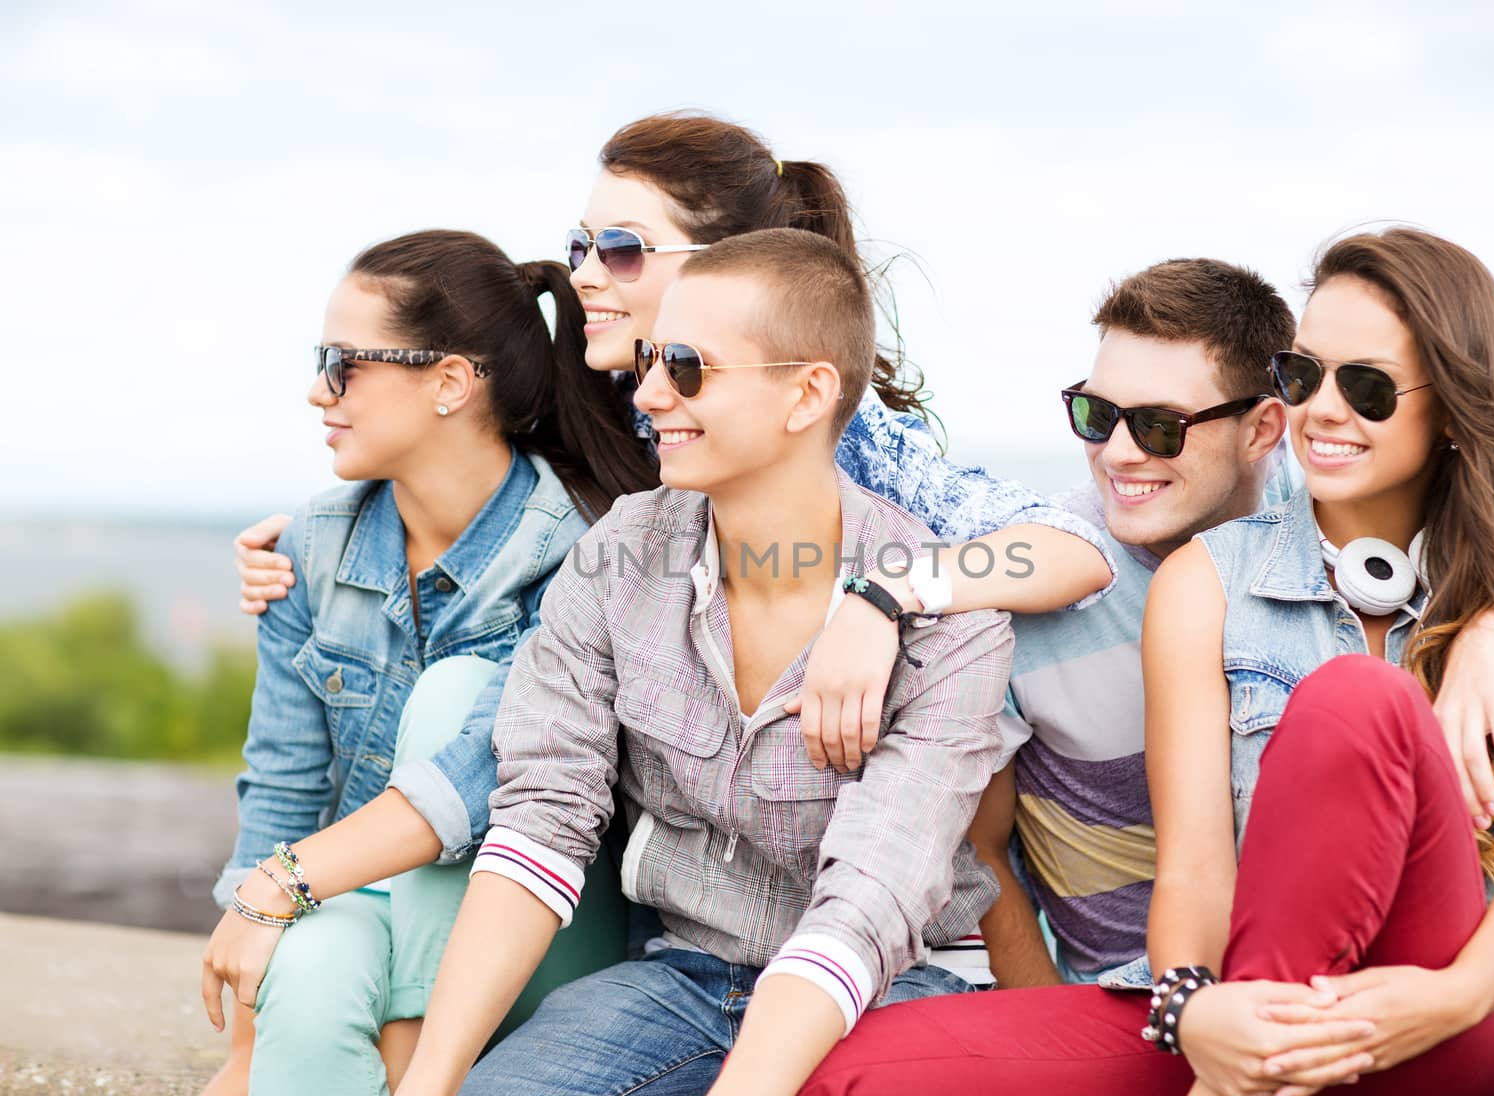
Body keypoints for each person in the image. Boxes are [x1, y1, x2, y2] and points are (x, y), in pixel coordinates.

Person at [794, 237, 1494, 1096]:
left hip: (1443, 1019)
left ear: (1447, 409)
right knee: (849, 1073)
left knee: (1359, 697)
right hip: (1239, 1004)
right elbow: (1194, 870)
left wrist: (1455, 995)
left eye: (1365, 389)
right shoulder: (1205, 580)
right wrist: (1193, 1006)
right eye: (1303, 377)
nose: (1323, 411)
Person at [232, 113, 1118, 781]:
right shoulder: (594, 393)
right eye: (581, 244)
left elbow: (1070, 551)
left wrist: (883, 594)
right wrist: (299, 558)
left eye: (621, 250)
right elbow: (449, 488)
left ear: (729, 264)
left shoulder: (832, 428)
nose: (583, 273)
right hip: (607, 793)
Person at [388, 228, 1018, 1096]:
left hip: (882, 988)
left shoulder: (952, 619)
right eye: (649, 358)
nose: (647, 393)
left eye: (685, 365)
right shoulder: (618, 556)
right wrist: (428, 1091)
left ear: (807, 392)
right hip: (687, 979)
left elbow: (872, 897)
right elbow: (541, 818)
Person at [195, 230, 658, 1096]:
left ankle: (418, 1066)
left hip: (539, 928)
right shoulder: (311, 547)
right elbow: (285, 790)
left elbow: (474, 778)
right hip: (365, 901)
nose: (317, 390)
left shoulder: (580, 555)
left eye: (343, 364)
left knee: (454, 702)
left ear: (450, 382)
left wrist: (286, 902)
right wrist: (245, 1051)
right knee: (316, 974)